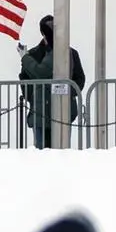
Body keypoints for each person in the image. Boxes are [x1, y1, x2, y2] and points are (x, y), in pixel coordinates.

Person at [20, 15, 87, 149]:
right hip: (40, 113)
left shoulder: (71, 53)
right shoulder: (34, 53)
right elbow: (25, 80)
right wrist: (33, 99)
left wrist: (67, 93)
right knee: (42, 154)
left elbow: (79, 79)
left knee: (62, 153)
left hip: (63, 111)